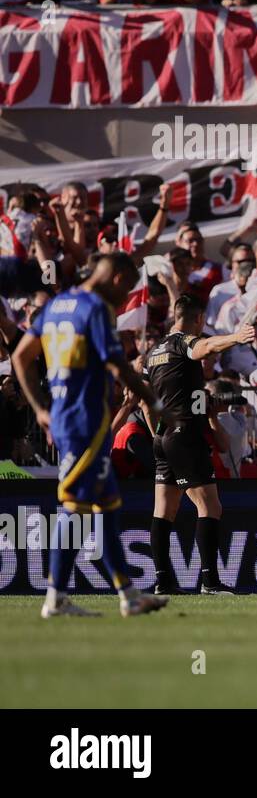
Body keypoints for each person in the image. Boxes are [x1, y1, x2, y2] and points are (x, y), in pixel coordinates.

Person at [10, 252, 170, 618]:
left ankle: (128, 595)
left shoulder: (57, 305)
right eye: (127, 288)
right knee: (75, 508)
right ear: (116, 278)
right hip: (85, 421)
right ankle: (55, 597)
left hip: (67, 417)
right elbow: (119, 368)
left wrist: (40, 407)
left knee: (106, 505)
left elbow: (20, 357)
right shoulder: (96, 309)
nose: (126, 296)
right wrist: (155, 404)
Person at [146, 294, 255, 596]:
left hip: (162, 435)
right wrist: (236, 336)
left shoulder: (153, 352)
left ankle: (163, 581)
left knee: (164, 511)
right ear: (196, 319)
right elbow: (203, 348)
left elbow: (146, 399)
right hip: (185, 435)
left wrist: (156, 431)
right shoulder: (183, 342)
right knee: (210, 506)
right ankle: (210, 582)